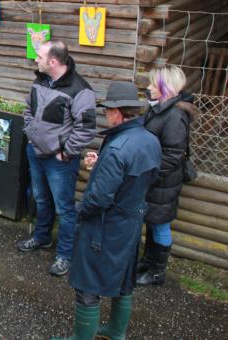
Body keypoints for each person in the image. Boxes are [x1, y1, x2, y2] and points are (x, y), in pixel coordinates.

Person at [53, 82, 161, 340]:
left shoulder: (116, 148)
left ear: (116, 112)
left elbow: (99, 200)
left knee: (87, 285)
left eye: (107, 111)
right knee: (124, 279)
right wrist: (101, 167)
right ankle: (115, 332)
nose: (106, 115)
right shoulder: (150, 140)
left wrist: (79, 212)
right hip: (131, 223)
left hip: (104, 227)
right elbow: (147, 178)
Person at [17, 40, 96, 277]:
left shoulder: (81, 90)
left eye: (39, 57)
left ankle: (65, 254)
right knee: (41, 199)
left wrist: (67, 152)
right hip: (35, 152)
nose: (35, 60)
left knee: (64, 208)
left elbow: (86, 128)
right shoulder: (39, 80)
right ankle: (42, 238)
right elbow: (29, 110)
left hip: (59, 160)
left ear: (53, 61)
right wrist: (30, 134)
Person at [137, 66, 198, 286]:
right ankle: (147, 262)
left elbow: (173, 155)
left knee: (160, 224)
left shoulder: (174, 115)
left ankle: (157, 272)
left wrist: (149, 172)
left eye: (154, 84)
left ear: (166, 88)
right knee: (152, 222)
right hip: (155, 180)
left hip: (162, 181)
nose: (149, 87)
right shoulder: (159, 109)